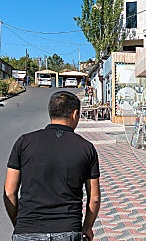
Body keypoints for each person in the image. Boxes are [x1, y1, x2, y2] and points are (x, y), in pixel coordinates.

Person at [3, 91, 101, 241]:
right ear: (75, 114)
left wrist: (20, 224)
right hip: (68, 229)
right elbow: (94, 198)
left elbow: (9, 192)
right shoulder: (86, 148)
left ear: (51, 112)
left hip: (27, 230)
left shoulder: (23, 143)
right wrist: (87, 227)